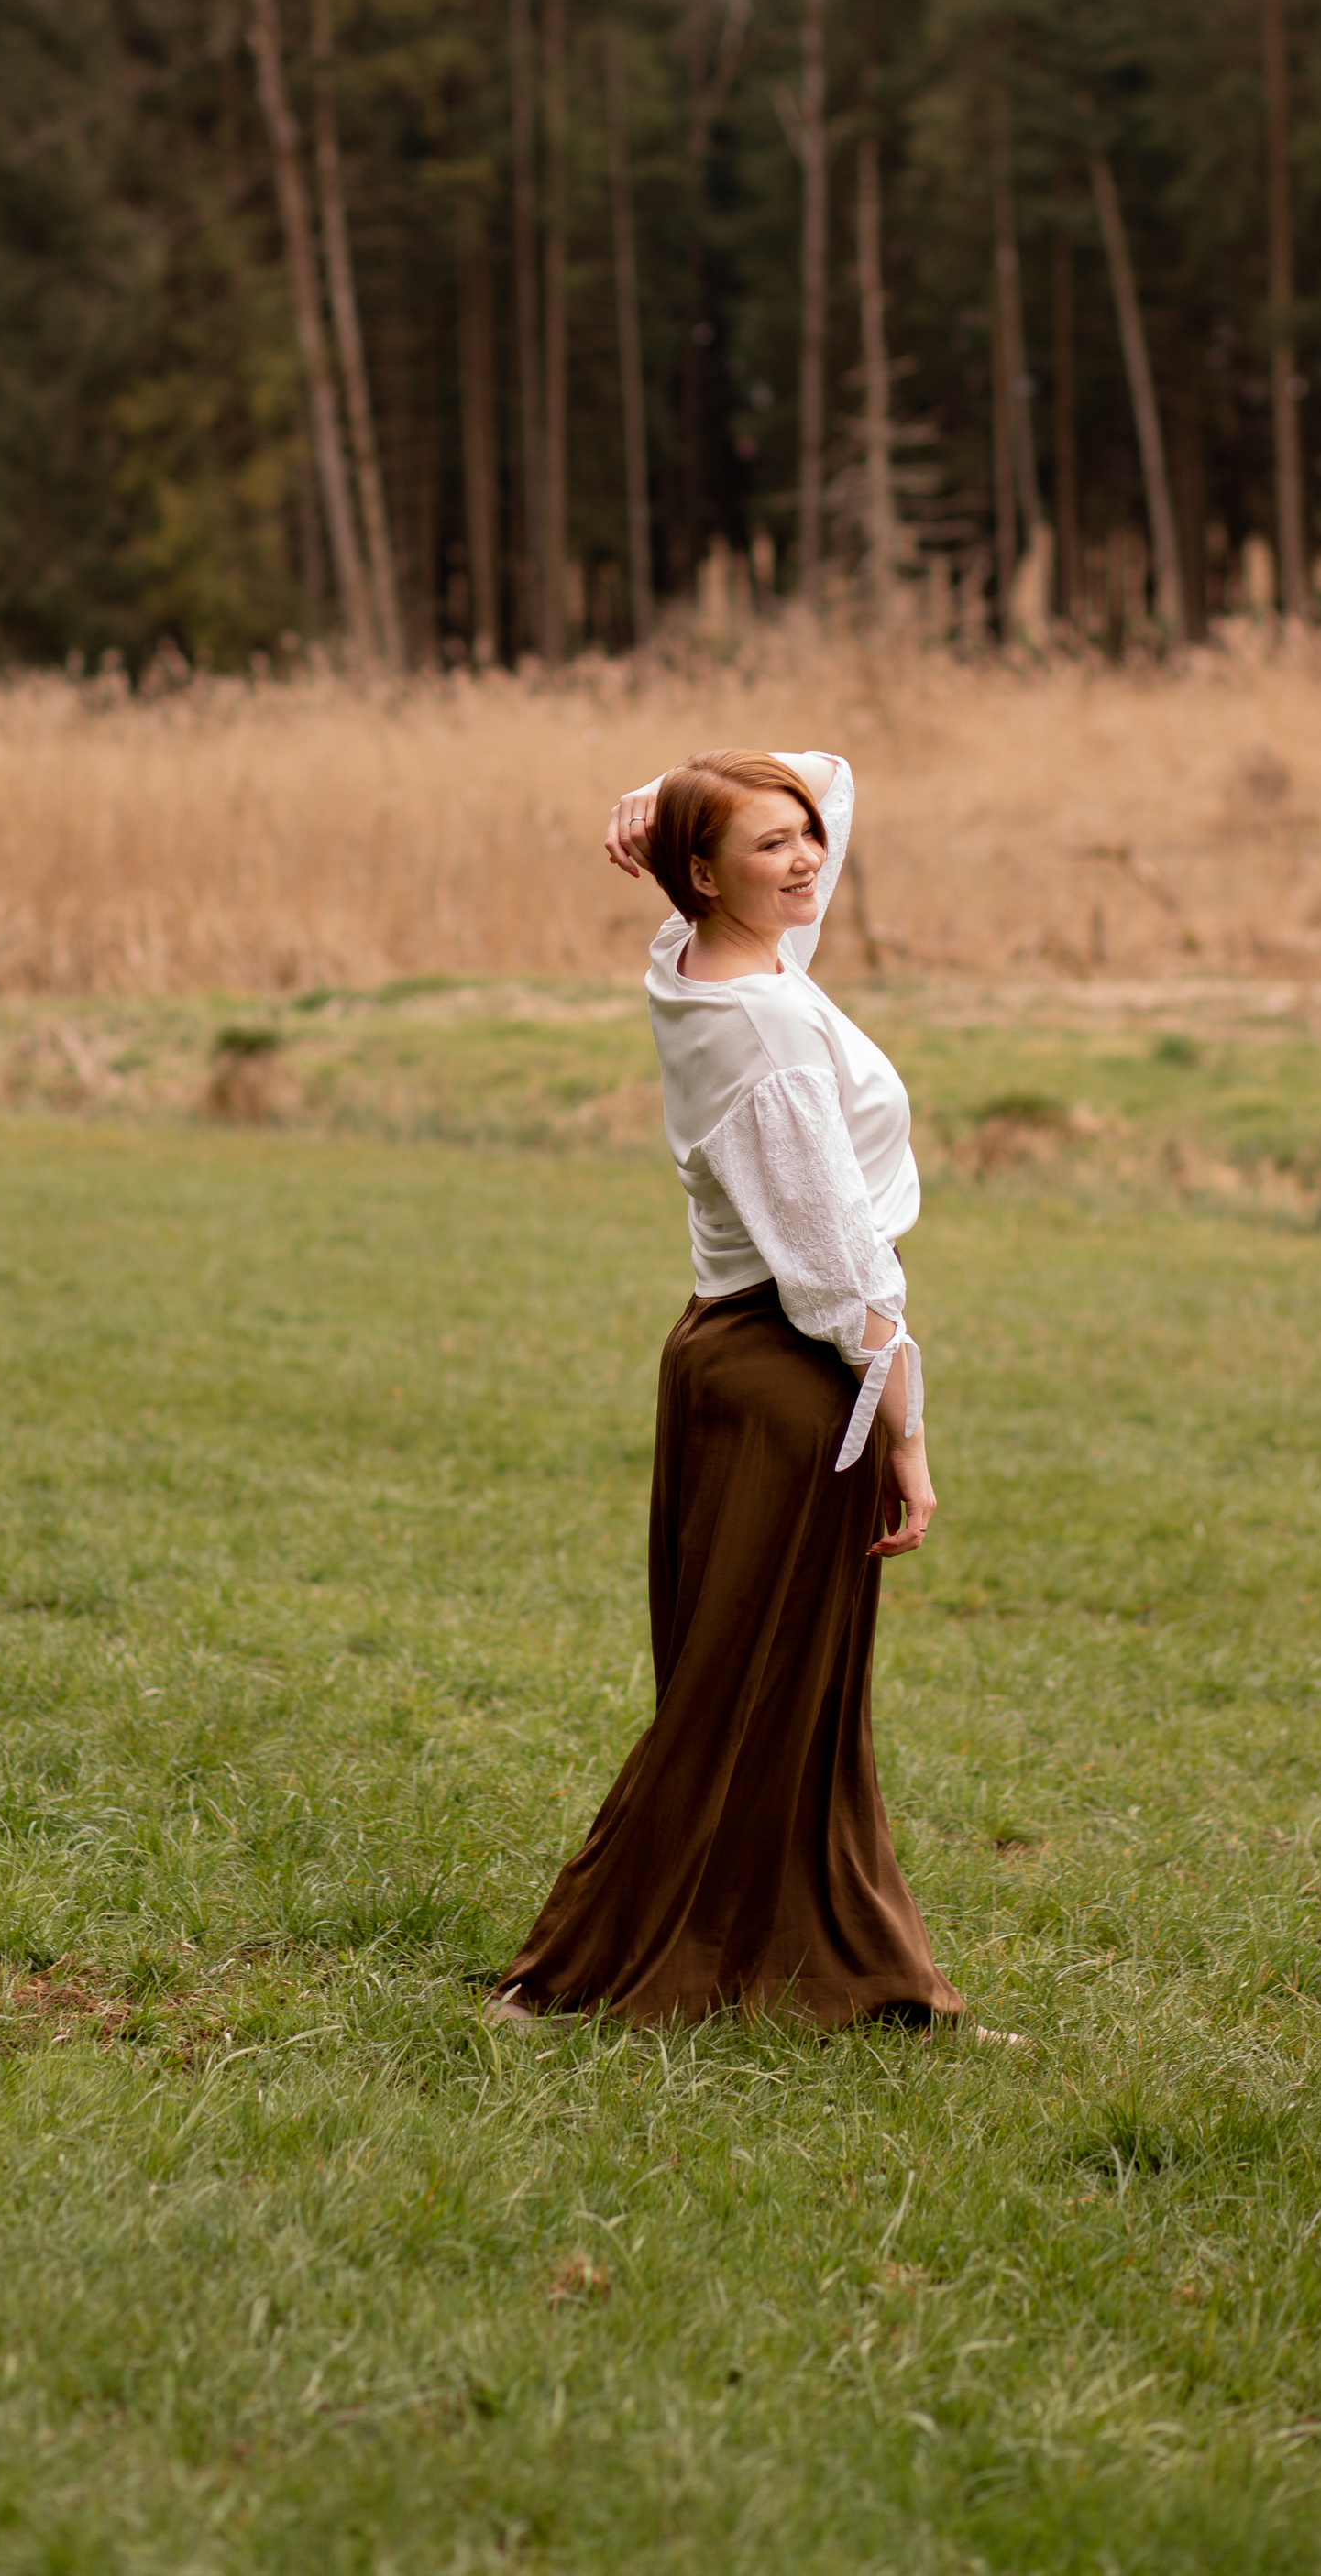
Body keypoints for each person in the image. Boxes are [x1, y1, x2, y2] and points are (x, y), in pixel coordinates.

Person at [489, 747, 963, 2032]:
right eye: (770, 845)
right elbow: (839, 1270)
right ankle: (574, 1975)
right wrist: (908, 1432)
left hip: (729, 1357)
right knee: (744, 1697)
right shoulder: (768, 1026)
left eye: (807, 836)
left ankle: (854, 1975)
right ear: (703, 875)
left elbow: (830, 777)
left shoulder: (697, 960)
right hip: (792, 1376)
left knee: (787, 1699)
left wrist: (669, 794)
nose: (809, 855)